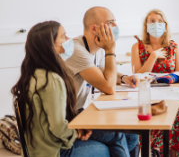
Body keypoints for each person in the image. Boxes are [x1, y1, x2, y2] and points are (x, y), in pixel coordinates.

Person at [11, 21, 112, 157]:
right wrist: (77, 133)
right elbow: (58, 128)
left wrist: (77, 131)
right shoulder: (52, 79)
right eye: (64, 37)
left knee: (120, 137)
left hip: (37, 148)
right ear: (50, 46)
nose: (69, 40)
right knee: (106, 149)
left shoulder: (33, 74)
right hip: (53, 152)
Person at [64, 6, 140, 157]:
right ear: (94, 28)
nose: (116, 27)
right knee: (117, 134)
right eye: (111, 22)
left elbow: (106, 72)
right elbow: (108, 87)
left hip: (79, 113)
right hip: (67, 119)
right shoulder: (75, 50)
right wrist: (110, 49)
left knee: (132, 135)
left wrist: (124, 78)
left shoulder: (96, 47)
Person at [131, 9, 179, 157]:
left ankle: (170, 152)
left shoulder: (174, 47)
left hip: (171, 93)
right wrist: (153, 56)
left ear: (166, 25)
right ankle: (154, 151)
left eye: (160, 21)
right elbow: (138, 75)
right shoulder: (137, 47)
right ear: (146, 25)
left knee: (175, 109)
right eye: (152, 21)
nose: (156, 24)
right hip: (147, 93)